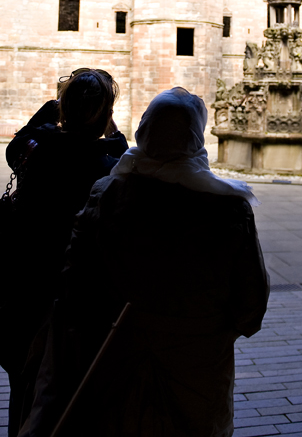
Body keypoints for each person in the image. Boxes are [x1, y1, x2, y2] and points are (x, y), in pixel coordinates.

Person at [20, 87, 269, 437]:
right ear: (196, 135)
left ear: (144, 131)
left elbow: (74, 288)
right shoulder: (230, 209)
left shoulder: (107, 195)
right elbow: (251, 308)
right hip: (196, 371)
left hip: (112, 366)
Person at [0, 68, 128, 436]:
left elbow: (17, 143)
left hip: (27, 285)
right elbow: (123, 150)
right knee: (69, 395)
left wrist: (55, 106)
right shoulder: (106, 162)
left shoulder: (35, 151)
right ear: (105, 113)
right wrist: (109, 123)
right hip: (74, 294)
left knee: (22, 385)